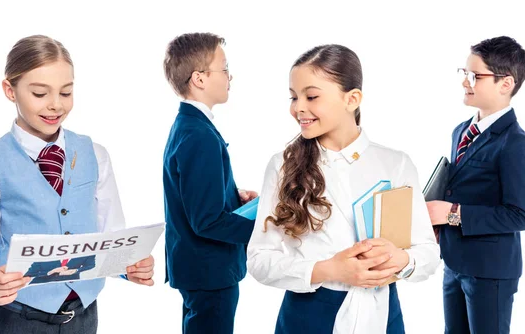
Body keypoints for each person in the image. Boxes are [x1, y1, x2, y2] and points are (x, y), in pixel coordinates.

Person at [0, 35, 155, 333]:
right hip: (18, 319)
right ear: (10, 90)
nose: (55, 105)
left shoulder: (95, 155)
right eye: (39, 93)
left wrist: (129, 266)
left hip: (84, 317)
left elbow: (110, 236)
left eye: (66, 92)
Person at [247, 44, 440, 333]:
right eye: (293, 97)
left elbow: (427, 252)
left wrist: (401, 260)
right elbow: (259, 260)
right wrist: (329, 269)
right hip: (309, 316)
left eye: (311, 96)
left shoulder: (396, 164)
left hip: (383, 314)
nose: (298, 107)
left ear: (352, 99)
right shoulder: (283, 166)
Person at [427, 36, 525, 334]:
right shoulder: (461, 131)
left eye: (475, 76)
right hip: (454, 262)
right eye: (464, 73)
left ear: (505, 84)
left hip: (490, 270)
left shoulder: (516, 144)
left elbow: (519, 214)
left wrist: (452, 213)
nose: (465, 82)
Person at [162, 32, 257, 333]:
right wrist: (268, 227)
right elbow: (207, 221)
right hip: (210, 274)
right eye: (225, 68)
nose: (230, 76)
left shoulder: (191, 126)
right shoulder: (198, 135)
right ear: (199, 79)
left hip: (199, 271)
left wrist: (233, 198)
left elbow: (197, 200)